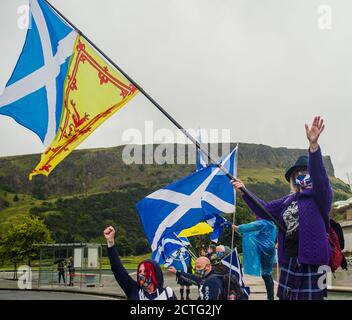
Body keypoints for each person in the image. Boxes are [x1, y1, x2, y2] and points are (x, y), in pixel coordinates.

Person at [232, 116, 332, 300]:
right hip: (289, 262)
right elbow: (264, 209)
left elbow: (320, 177)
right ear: (294, 179)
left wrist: (313, 147)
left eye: (306, 171)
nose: (302, 175)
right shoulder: (287, 201)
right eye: (298, 173)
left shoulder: (321, 196)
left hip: (313, 263)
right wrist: (244, 190)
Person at [104, 226, 177, 300]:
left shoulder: (168, 293)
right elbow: (118, 270)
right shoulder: (133, 289)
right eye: (139, 271)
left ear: (155, 273)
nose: (141, 274)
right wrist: (110, 242)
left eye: (145, 271)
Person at [233, 219, 277, 300]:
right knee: (268, 274)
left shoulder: (263, 222)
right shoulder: (272, 223)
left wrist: (236, 227)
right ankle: (271, 297)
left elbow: (249, 226)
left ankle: (270, 298)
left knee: (266, 275)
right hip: (270, 248)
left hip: (265, 250)